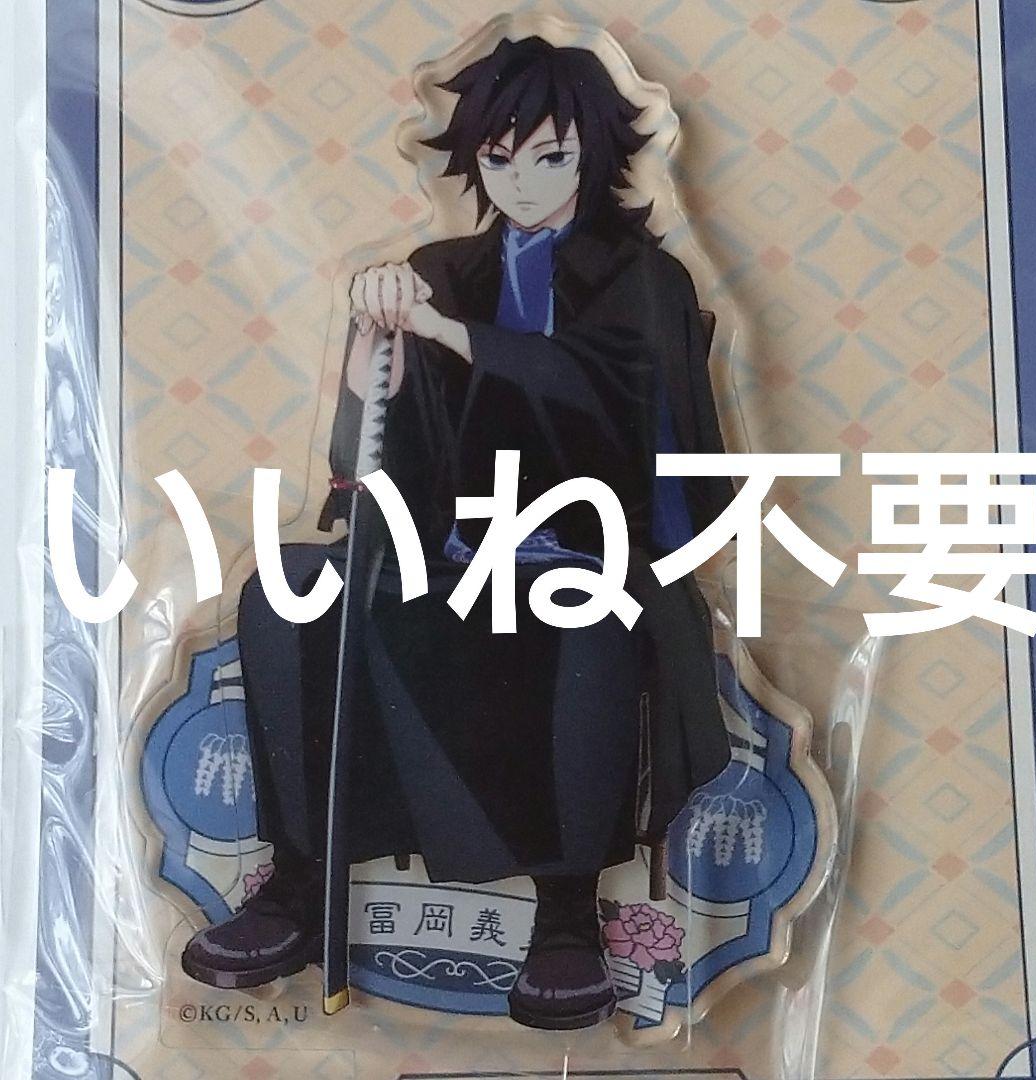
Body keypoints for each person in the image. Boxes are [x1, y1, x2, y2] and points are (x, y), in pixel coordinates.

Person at [181, 35, 733, 1031]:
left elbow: (604, 396)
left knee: (578, 625)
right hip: (450, 547)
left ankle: (565, 913)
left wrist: (448, 333)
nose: (524, 182)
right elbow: (378, 454)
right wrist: (374, 355)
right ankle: (302, 876)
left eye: (551, 156)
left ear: (594, 154)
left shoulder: (642, 280)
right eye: (500, 158)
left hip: (592, 551)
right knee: (288, 592)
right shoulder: (441, 269)